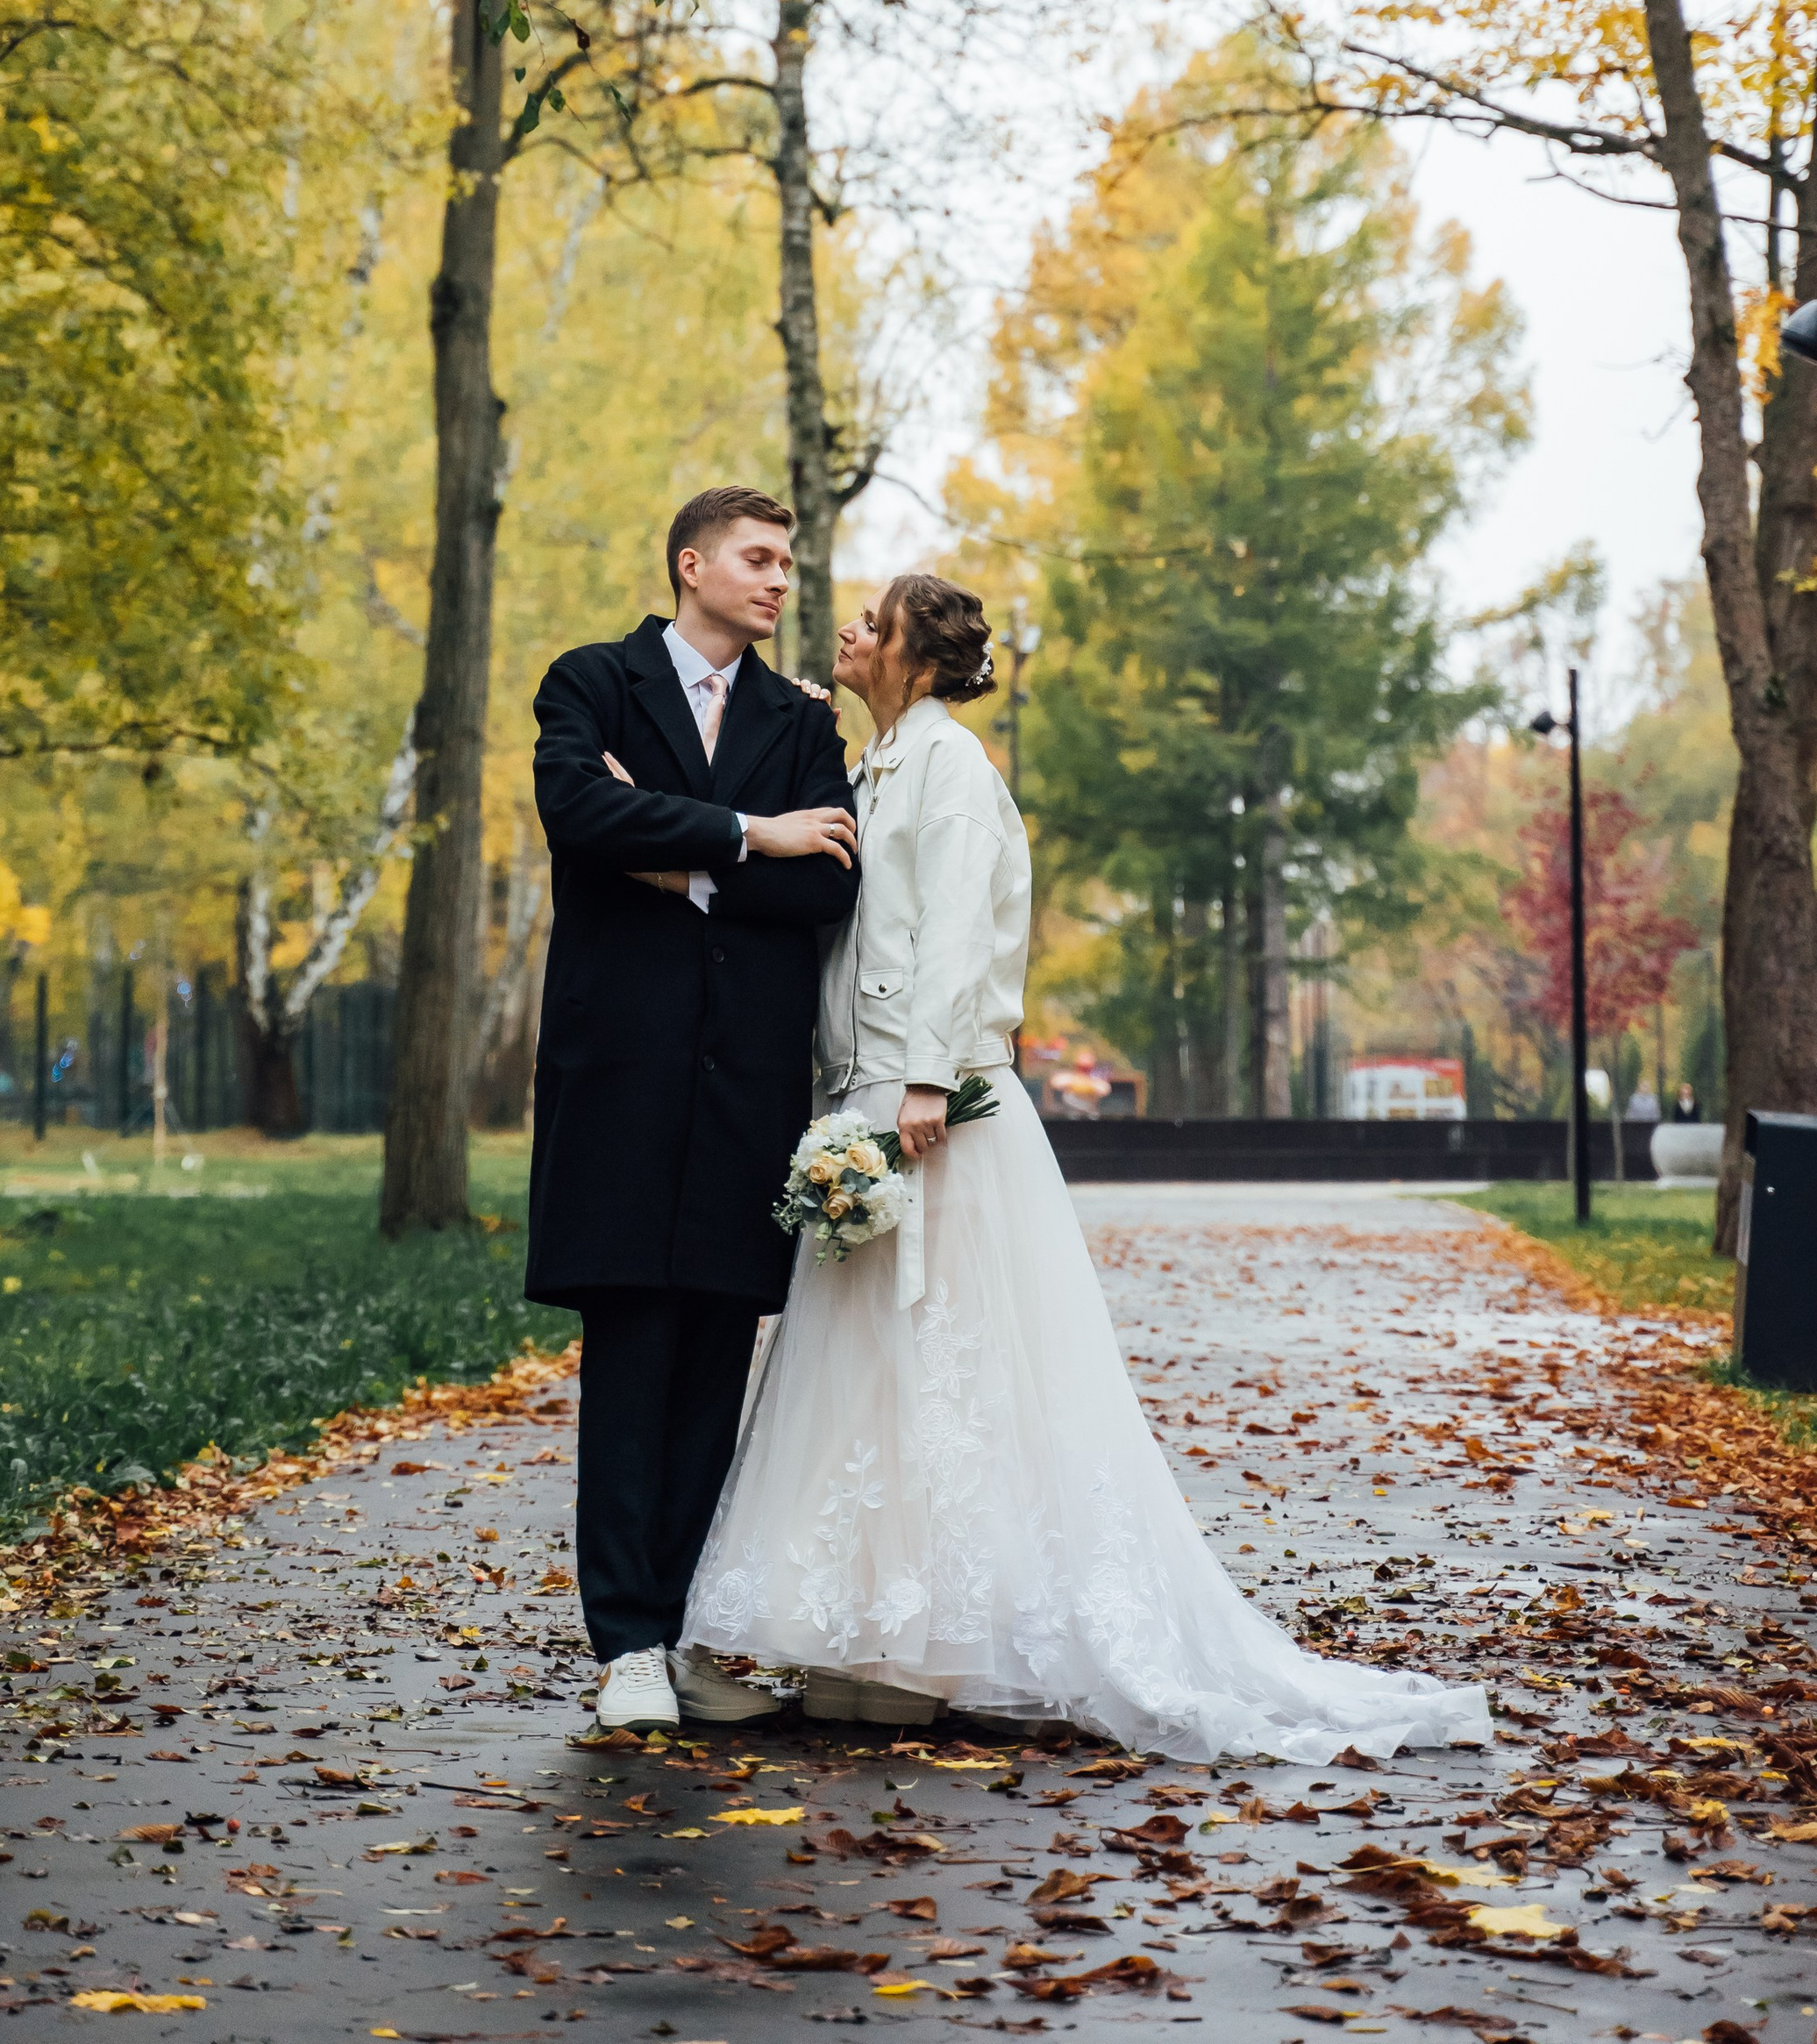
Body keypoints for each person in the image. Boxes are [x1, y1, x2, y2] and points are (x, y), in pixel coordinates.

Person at [682, 570, 1493, 1764]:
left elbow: (955, 930)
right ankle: (862, 1642)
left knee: (938, 1365)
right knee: (869, 1374)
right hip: (866, 1098)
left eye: (871, 621)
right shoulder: (879, 762)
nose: (847, 631)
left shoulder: (953, 773)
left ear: (913, 651)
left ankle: (925, 1646)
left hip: (933, 1107)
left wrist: (921, 1079)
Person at [527, 483, 861, 1735]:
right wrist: (747, 833)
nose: (779, 581)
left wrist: (682, 862)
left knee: (714, 1359)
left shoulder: (797, 719)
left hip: (742, 1089)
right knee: (628, 1357)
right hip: (620, 1074)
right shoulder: (593, 684)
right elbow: (577, 810)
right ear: (691, 564)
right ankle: (623, 1642)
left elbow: (826, 886)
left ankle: (677, 1629)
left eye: (787, 562)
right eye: (758, 559)